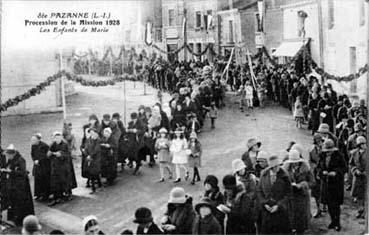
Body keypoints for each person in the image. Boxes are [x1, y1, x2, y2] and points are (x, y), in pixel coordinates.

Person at [317, 139, 347, 231]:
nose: (328, 153)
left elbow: (344, 168)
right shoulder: (322, 156)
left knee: (336, 204)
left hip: (336, 184)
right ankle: (332, 221)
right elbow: (318, 168)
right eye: (327, 151)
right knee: (329, 203)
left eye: (330, 151)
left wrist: (336, 173)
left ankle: (337, 222)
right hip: (326, 183)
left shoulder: (339, 156)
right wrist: (322, 172)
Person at [257, 155, 291, 234]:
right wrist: (264, 203)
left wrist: (278, 205)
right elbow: (259, 191)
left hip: (281, 212)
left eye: (278, 165)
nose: (277, 168)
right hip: (267, 211)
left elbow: (289, 193)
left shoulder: (284, 175)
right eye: (275, 166)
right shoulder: (264, 174)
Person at [2, 144, 34, 225]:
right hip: (13, 184)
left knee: (20, 202)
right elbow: (8, 167)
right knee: (13, 201)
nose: (7, 157)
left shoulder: (21, 160)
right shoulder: (11, 159)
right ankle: (14, 217)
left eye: (8, 156)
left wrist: (11, 171)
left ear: (12, 154)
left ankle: (20, 218)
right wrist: (5, 170)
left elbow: (22, 172)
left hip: (21, 185)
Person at [283, 150, 315, 234]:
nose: (294, 164)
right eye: (292, 162)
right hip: (291, 197)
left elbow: (312, 182)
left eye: (296, 162)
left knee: (301, 218)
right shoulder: (286, 170)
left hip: (302, 197)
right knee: (292, 217)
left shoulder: (306, 169)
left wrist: (302, 184)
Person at [48, 132, 70, 206]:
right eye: (56, 138)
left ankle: (66, 194)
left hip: (63, 166)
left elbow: (67, 154)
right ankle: (57, 196)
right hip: (55, 166)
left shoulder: (65, 144)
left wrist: (61, 154)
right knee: (55, 182)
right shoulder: (53, 144)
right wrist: (50, 153)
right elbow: (49, 153)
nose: (57, 139)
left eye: (58, 138)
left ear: (61, 138)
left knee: (63, 181)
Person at [349, 136, 367, 219]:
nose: (364, 145)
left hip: (366, 178)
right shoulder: (354, 153)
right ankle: (360, 210)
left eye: (364, 143)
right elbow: (351, 164)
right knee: (358, 195)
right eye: (362, 144)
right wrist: (355, 170)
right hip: (357, 177)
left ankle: (366, 212)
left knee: (366, 195)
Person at [30, 133, 50, 201]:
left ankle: (45, 195)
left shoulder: (45, 146)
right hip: (37, 165)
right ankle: (38, 194)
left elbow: (47, 156)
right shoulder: (33, 146)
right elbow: (32, 154)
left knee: (44, 180)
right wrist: (34, 160)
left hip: (44, 166)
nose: (32, 141)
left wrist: (39, 161)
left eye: (34, 140)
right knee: (37, 180)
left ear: (38, 140)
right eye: (32, 140)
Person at [309, 133, 324, 218]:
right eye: (317, 141)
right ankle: (318, 209)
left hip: (323, 173)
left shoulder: (325, 149)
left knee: (324, 190)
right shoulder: (311, 150)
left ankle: (324, 206)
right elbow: (310, 161)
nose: (319, 143)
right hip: (315, 173)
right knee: (316, 191)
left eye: (320, 141)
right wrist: (313, 167)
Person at [84, 128, 102, 194]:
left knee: (94, 172)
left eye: (93, 132)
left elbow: (97, 149)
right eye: (90, 132)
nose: (92, 133)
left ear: (95, 132)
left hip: (96, 158)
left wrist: (90, 155)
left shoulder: (98, 140)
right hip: (89, 158)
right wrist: (87, 155)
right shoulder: (88, 139)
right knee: (91, 173)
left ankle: (94, 187)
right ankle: (96, 186)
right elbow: (86, 148)